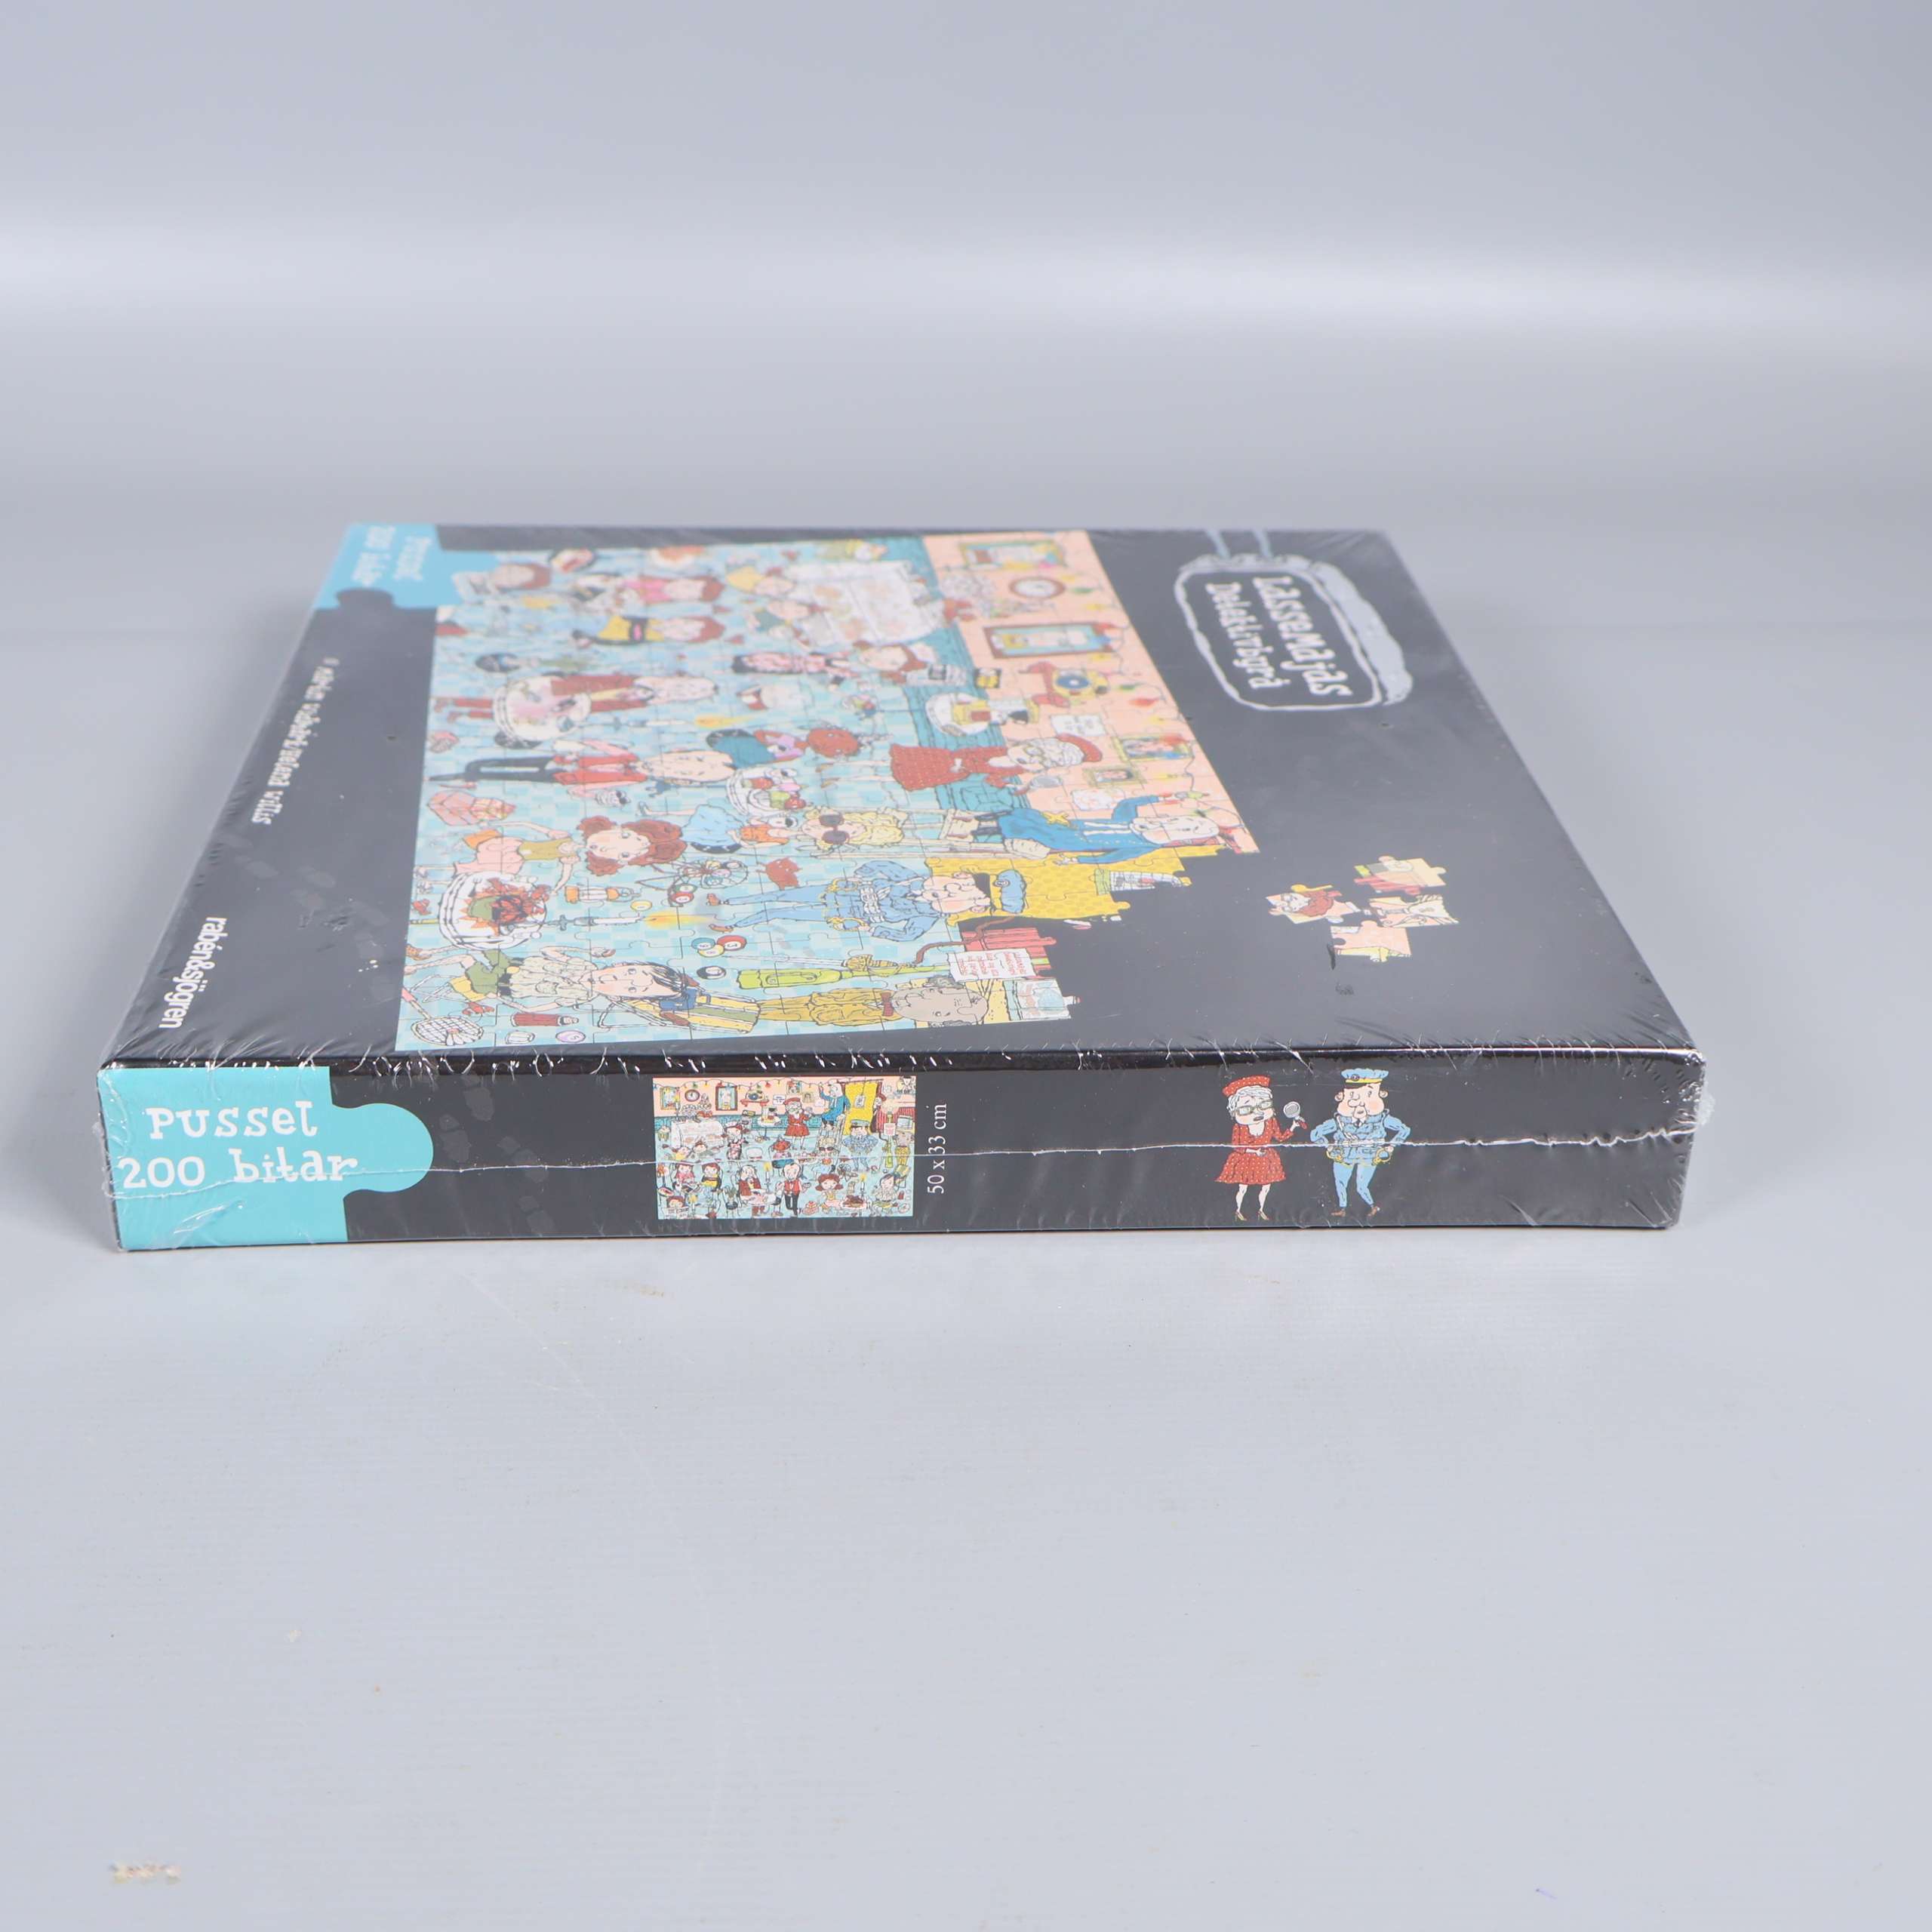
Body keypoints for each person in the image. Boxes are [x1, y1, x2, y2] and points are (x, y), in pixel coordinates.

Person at [1309, 1069, 1411, 1217]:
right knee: (1340, 1182)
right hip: (1344, 1155)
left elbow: (1404, 1130)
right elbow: (1315, 1134)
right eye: (1353, 1096)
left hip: (1368, 1156)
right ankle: (1342, 1209)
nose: (1359, 1103)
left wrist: (1391, 1146)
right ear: (1342, 1097)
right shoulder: (1340, 1121)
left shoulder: (1381, 1119)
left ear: (1381, 1095)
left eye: (1368, 1094)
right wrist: (1329, 1146)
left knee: (1362, 1186)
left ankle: (1373, 1206)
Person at [1217, 1074, 1301, 1221]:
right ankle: (1238, 1210)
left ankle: (1261, 1210)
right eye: (1246, 1109)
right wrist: (1255, 1151)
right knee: (1243, 1187)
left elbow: (1280, 1137)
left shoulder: (1270, 1122)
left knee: (1266, 1187)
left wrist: (1293, 1127)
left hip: (1266, 1159)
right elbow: (1237, 1147)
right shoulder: (1240, 1127)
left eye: (1263, 1105)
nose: (1257, 1112)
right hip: (1246, 1160)